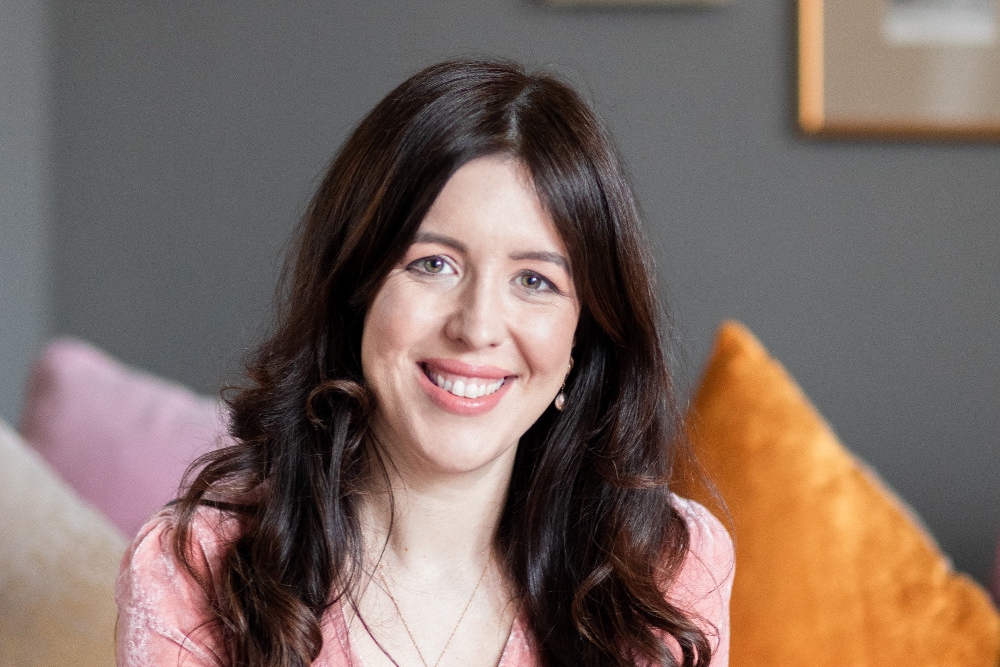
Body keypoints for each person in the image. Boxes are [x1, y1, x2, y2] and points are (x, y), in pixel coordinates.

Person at [115, 58, 733, 667]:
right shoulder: (196, 567)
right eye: (433, 264)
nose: (477, 328)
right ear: (354, 289)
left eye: (535, 280)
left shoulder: (666, 566)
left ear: (585, 333)